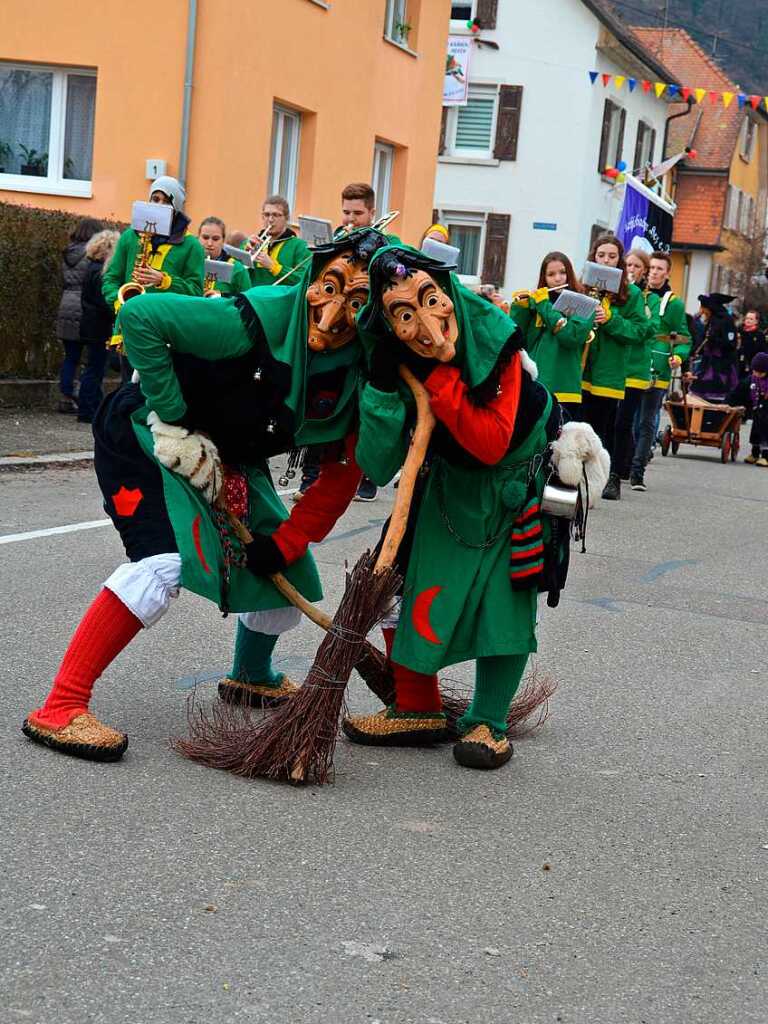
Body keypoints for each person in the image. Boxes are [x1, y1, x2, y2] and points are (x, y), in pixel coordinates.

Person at [21, 228, 388, 763]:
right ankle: (60, 707)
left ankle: (251, 676)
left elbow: (342, 474)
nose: (333, 318)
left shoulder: (370, 370)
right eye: (329, 289)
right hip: (149, 432)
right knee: (163, 563)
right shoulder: (253, 318)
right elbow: (142, 318)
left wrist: (286, 540)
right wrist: (174, 417)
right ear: (313, 277)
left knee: (290, 572)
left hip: (229, 455)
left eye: (357, 303)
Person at [342, 245, 564, 771]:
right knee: (421, 590)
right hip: (448, 487)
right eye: (403, 315)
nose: (426, 326)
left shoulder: (494, 337)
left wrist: (439, 380)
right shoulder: (396, 361)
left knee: (502, 603)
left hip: (514, 486)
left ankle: (489, 721)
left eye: (430, 300)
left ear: (448, 292)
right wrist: (380, 385)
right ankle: (417, 706)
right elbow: (375, 464)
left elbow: (489, 441)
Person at [297, 183, 402, 503]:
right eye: (346, 212)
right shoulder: (338, 240)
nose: (352, 219)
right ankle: (311, 475)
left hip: (369, 337)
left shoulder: (391, 243)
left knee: (365, 409)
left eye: (358, 213)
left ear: (372, 212)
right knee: (321, 401)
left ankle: (367, 476)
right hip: (334, 336)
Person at [581, 234, 650, 501]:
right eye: (601, 256)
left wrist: (611, 319)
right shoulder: (583, 284)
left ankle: (610, 478)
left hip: (609, 371)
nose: (606, 260)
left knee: (606, 428)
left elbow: (642, 330)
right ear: (593, 257)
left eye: (612, 256)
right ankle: (577, 479)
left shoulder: (631, 293)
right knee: (579, 425)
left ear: (619, 261)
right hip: (581, 368)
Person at [629, 252, 691, 490]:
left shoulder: (673, 303)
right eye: (651, 268)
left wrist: (678, 356)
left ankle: (638, 472)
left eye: (659, 269)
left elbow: (684, 338)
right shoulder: (635, 295)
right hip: (633, 365)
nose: (654, 272)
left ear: (667, 273)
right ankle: (624, 464)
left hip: (658, 368)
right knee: (628, 421)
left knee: (646, 422)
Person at [512, 251, 594, 420]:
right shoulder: (539, 302)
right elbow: (520, 339)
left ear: (570, 273)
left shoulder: (583, 303)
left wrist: (545, 306)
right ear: (544, 278)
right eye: (551, 274)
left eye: (563, 272)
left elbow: (571, 337)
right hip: (537, 383)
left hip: (565, 385)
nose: (558, 279)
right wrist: (520, 308)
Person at [612, 249, 653, 487]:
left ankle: (630, 468)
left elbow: (649, 329)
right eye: (628, 265)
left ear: (643, 270)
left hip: (636, 367)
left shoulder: (652, 299)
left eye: (637, 266)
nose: (631, 270)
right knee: (613, 421)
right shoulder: (617, 294)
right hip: (616, 366)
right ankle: (618, 465)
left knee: (627, 421)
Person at [56, 217, 104, 413]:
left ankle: (65, 396)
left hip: (66, 303)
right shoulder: (92, 255)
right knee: (92, 359)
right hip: (84, 307)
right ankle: (84, 398)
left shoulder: (68, 252)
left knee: (71, 356)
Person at [77, 229, 121, 423]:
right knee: (95, 369)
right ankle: (88, 409)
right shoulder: (101, 272)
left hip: (90, 325)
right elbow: (104, 302)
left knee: (93, 367)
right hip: (99, 327)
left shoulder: (90, 268)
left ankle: (90, 406)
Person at [245, 196, 309, 288]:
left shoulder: (300, 246)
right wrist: (244, 255)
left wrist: (274, 266)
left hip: (281, 300)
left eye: (276, 215)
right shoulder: (252, 243)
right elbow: (236, 275)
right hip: (250, 298)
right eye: (267, 215)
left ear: (286, 218)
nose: (270, 220)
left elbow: (304, 280)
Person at [688, 293, 739, 403]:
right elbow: (702, 341)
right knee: (697, 391)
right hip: (707, 363)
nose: (701, 310)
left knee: (714, 396)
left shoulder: (726, 320)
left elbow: (731, 344)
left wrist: (714, 340)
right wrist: (693, 351)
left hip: (721, 366)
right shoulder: (711, 320)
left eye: (703, 307)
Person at [198, 216, 251, 297]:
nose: (209, 243)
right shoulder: (189, 262)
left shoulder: (237, 268)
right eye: (205, 237)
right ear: (198, 238)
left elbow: (247, 300)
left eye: (215, 239)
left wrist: (222, 295)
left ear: (223, 240)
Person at [745, 352, 768, 465]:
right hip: (757, 409)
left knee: (765, 433)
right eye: (755, 371)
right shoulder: (752, 379)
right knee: (755, 432)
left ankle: (766, 456)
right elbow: (739, 391)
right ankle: (754, 453)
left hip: (766, 410)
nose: (758, 374)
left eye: (761, 372)